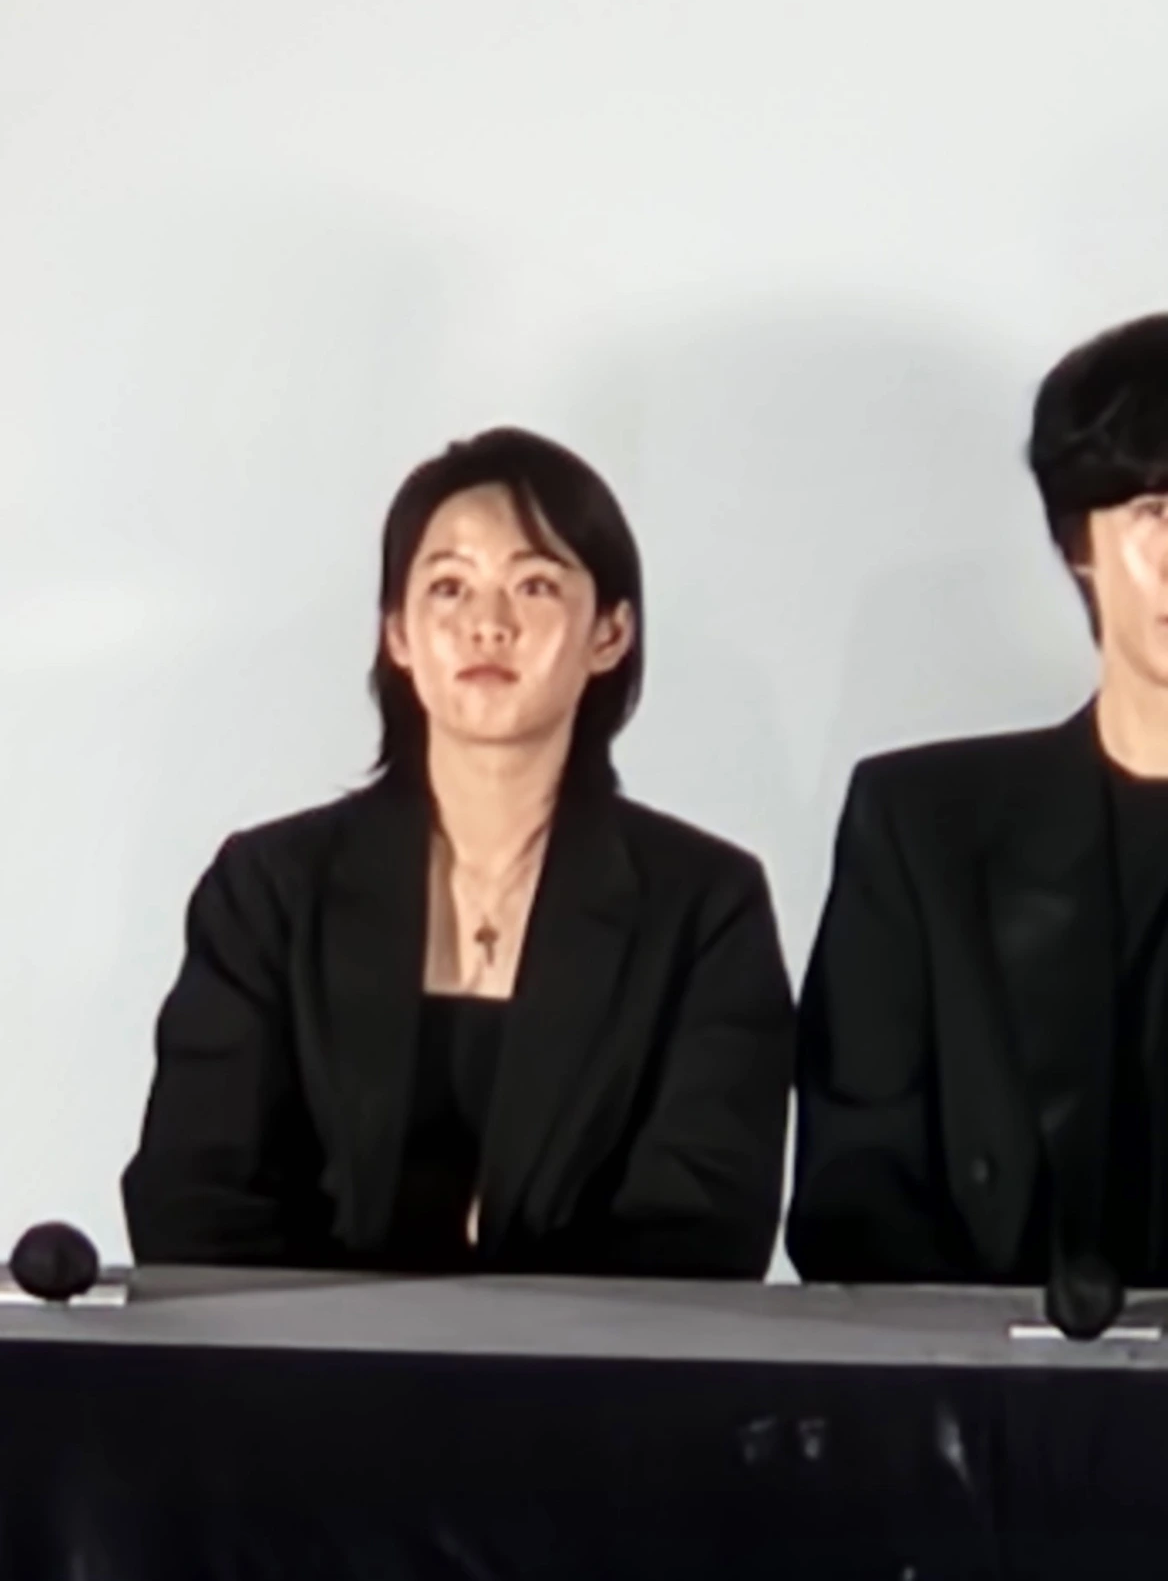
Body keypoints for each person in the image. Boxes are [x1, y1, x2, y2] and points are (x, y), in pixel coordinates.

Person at [124, 427, 793, 1276]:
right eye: (449, 586)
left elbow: (702, 1228)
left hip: (592, 1362)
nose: (488, 624)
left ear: (609, 634)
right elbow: (195, 1198)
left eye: (534, 584)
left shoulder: (704, 907)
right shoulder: (269, 891)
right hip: (299, 1357)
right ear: (398, 634)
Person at [787, 315, 1168, 1293]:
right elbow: (850, 1189)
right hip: (983, 1377)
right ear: (1079, 542)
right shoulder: (920, 829)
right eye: (1156, 511)